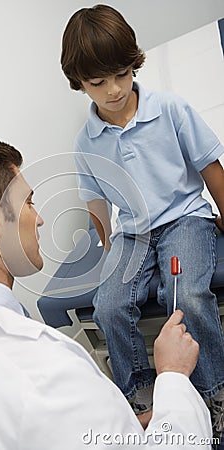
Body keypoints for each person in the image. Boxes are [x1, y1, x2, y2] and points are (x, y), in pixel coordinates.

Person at [0, 135, 213, 449]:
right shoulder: (45, 370)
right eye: (29, 202)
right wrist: (173, 375)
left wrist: (123, 423)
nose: (40, 219)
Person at [60, 3, 224, 439]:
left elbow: (211, 169)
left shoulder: (170, 109)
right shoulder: (85, 142)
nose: (113, 89)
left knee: (186, 293)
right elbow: (96, 205)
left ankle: (215, 394)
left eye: (122, 74)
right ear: (79, 84)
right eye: (98, 82)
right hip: (132, 233)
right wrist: (112, 255)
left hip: (184, 218)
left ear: (135, 64)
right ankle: (140, 396)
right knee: (109, 305)